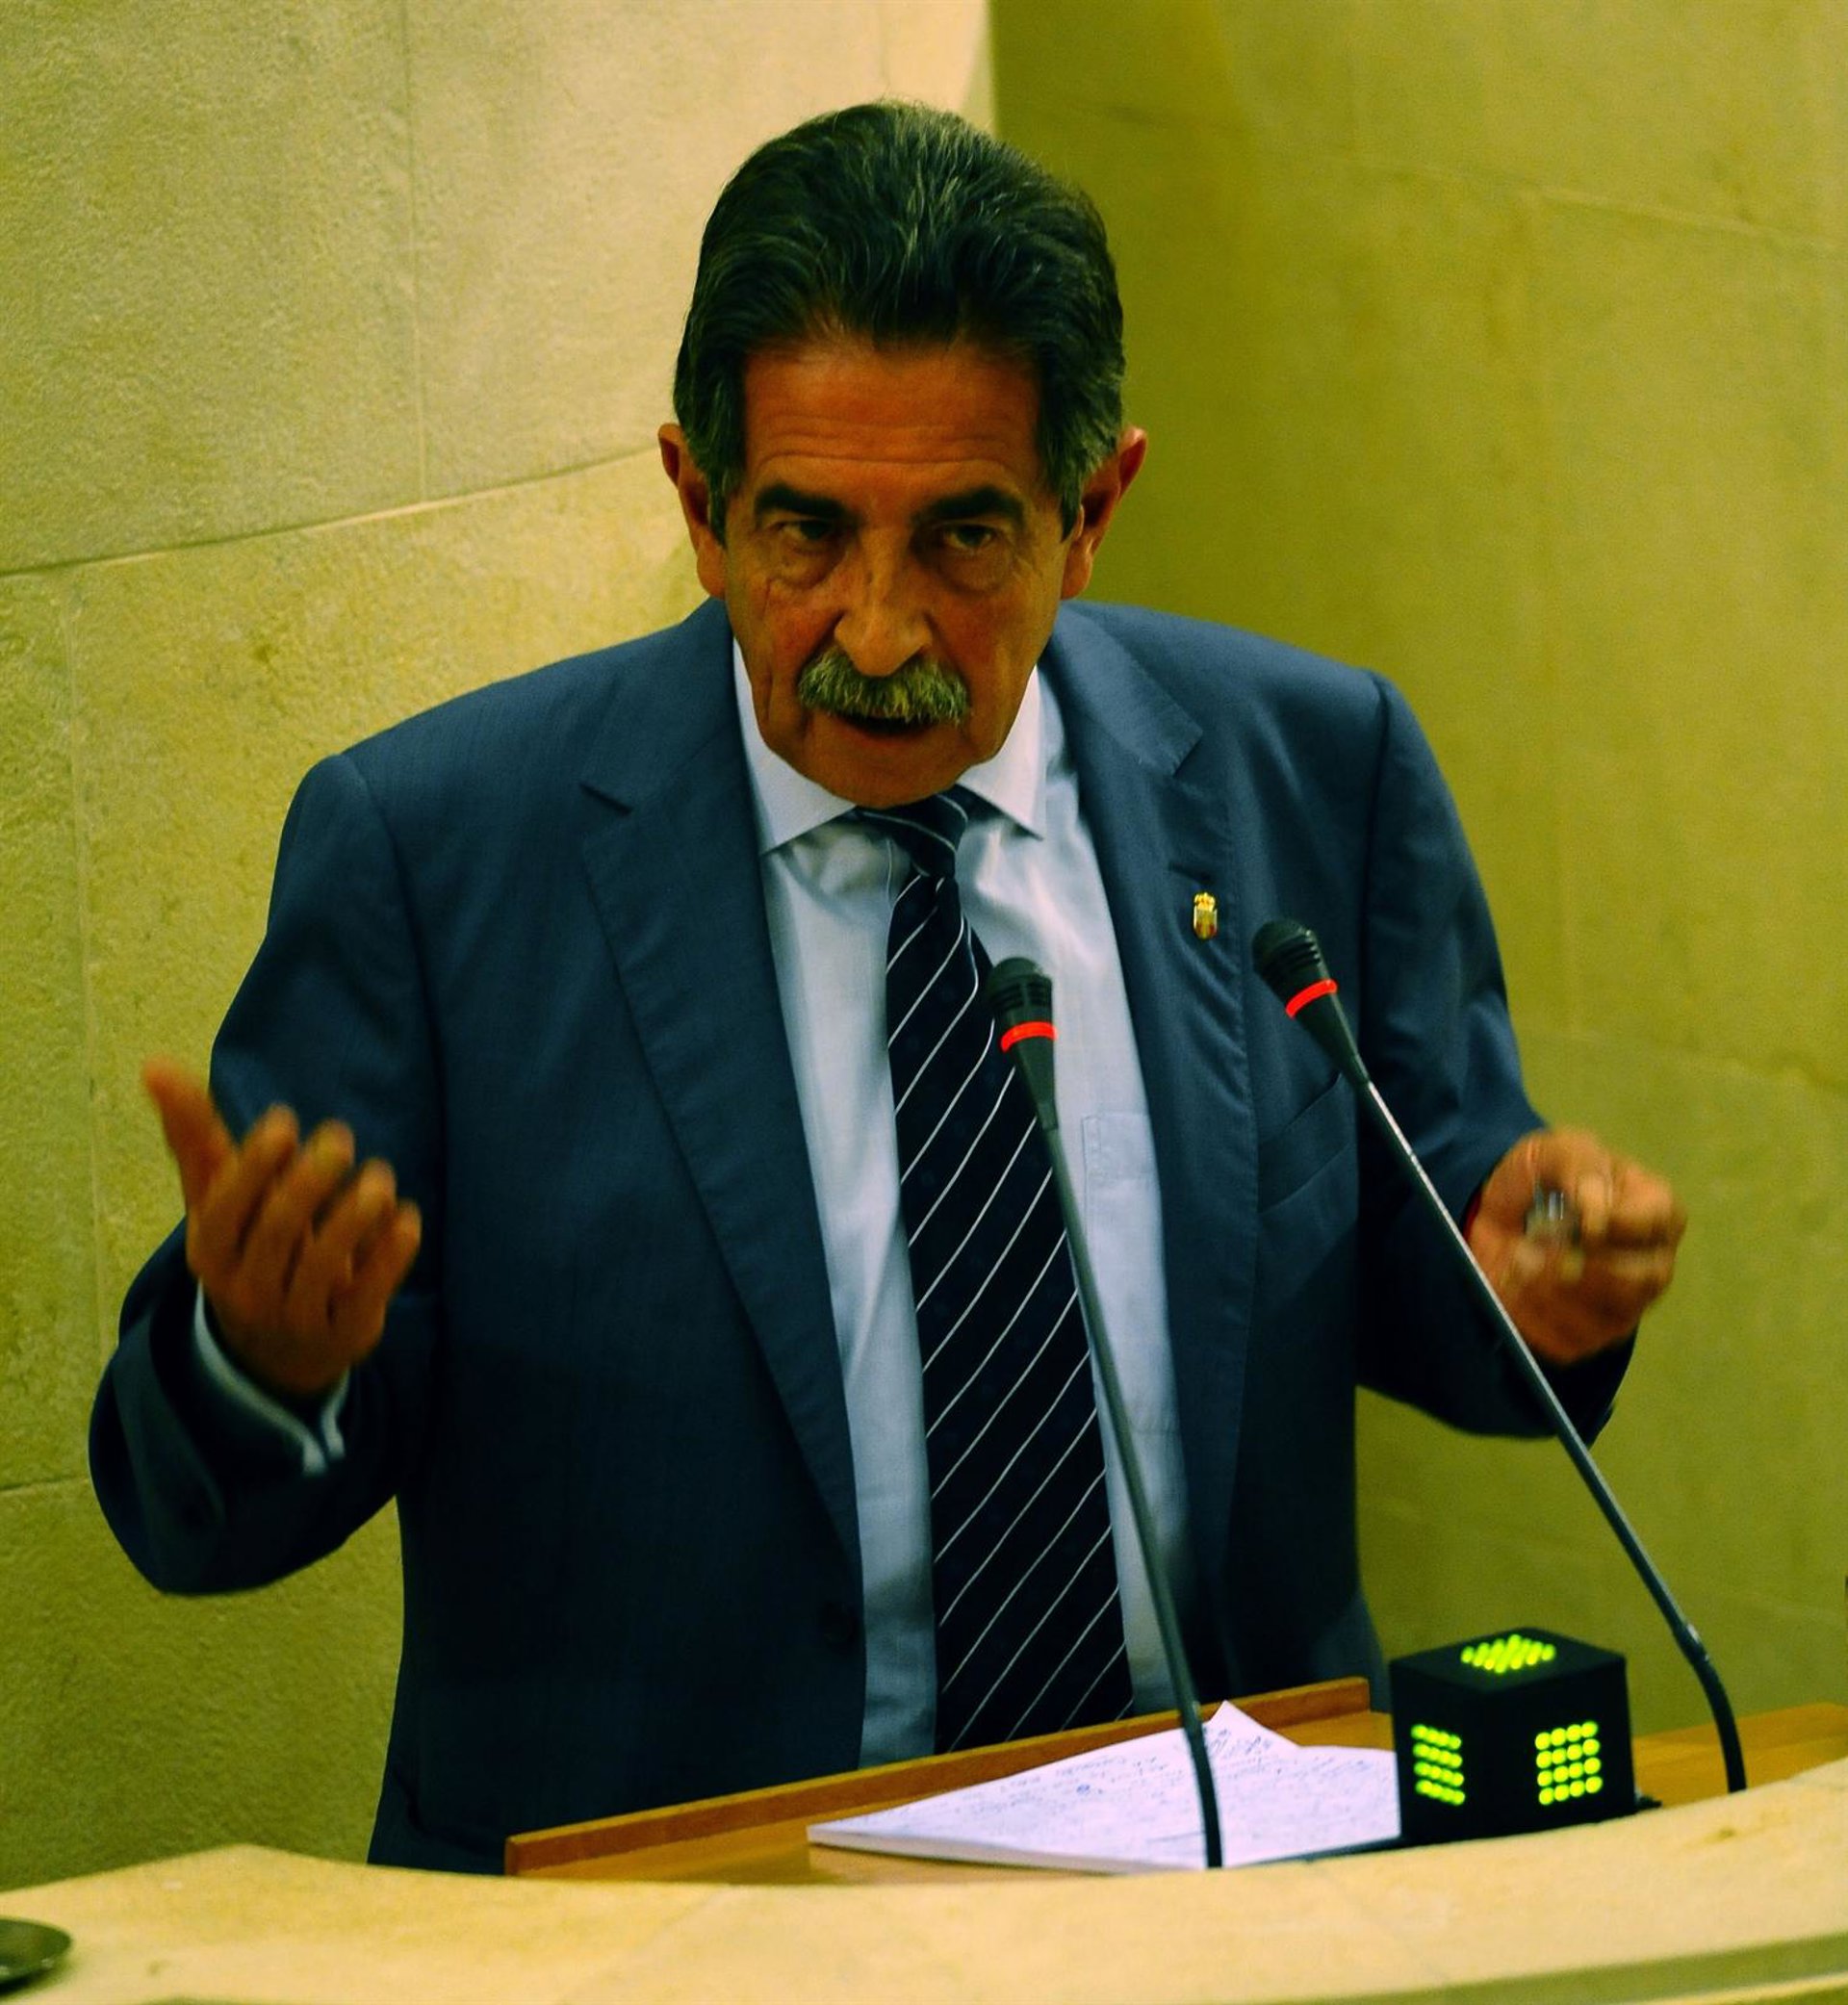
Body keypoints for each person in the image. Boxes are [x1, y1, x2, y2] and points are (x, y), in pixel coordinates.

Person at [90, 102, 1684, 1874]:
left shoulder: (1309, 768)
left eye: (962, 539)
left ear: (1093, 509)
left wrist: (1535, 1276)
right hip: (668, 1924)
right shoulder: (438, 857)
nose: (875, 631)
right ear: (699, 505)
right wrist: (259, 1363)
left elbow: (1445, 1251)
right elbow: (188, 1516)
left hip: (1222, 1892)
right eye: (806, 533)